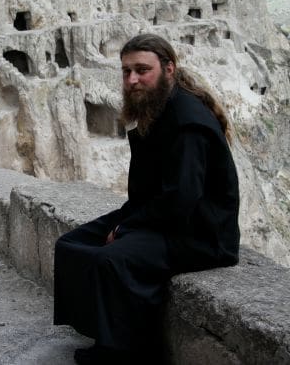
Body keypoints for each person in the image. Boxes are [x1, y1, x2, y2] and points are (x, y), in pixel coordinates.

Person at [53, 33, 240, 364]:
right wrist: (129, 222)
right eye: (126, 71)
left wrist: (126, 228)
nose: (133, 79)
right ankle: (101, 331)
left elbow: (183, 198)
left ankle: (122, 352)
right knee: (71, 245)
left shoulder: (187, 122)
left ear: (169, 69)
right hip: (162, 218)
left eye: (142, 70)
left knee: (110, 259)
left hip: (199, 233)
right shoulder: (158, 107)